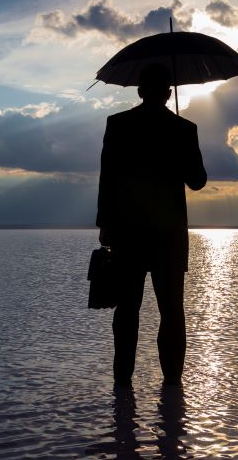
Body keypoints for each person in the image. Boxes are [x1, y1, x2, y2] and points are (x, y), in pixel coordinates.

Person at [96, 63, 207, 387]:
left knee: (127, 309)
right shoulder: (184, 130)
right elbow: (197, 181)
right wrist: (182, 147)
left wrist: (105, 224)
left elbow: (108, 179)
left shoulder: (117, 125)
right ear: (168, 93)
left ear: (141, 91)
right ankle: (173, 383)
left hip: (127, 232)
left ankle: (122, 380)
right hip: (169, 237)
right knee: (172, 311)